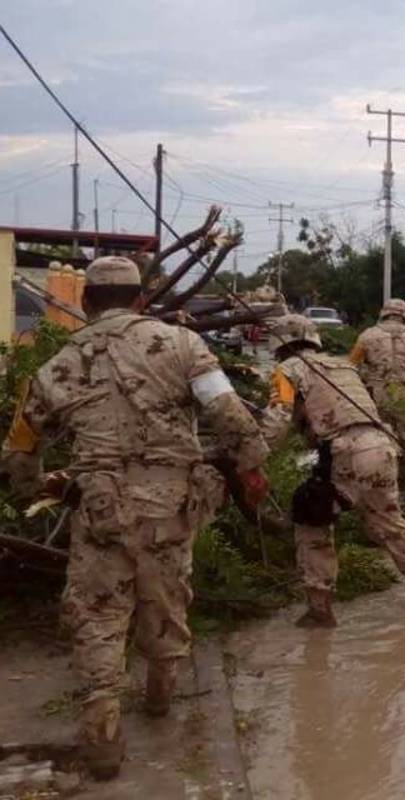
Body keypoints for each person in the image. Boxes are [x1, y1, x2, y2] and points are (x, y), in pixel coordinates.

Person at [0, 256, 270, 780]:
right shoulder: (183, 345)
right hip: (170, 506)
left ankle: (102, 738)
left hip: (100, 510)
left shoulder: (57, 366)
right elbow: (228, 412)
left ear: (86, 302)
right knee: (166, 602)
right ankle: (160, 698)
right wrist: (252, 468)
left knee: (98, 617)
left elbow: (20, 448)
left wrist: (40, 486)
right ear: (141, 300)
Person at [262, 314, 405, 627]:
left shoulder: (287, 370)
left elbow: (278, 420)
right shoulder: (342, 365)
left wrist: (252, 455)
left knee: (312, 519)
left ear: (279, 346)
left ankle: (320, 609)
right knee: (388, 518)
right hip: (382, 445)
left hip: (345, 451)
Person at [349, 299, 405, 493]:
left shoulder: (366, 337)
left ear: (384, 313)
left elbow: (350, 369)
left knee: (379, 439)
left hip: (376, 397)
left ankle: (383, 485)